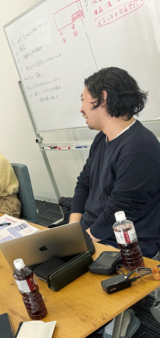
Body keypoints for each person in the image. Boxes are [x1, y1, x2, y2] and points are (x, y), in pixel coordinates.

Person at [70, 67, 160, 259]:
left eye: (83, 99)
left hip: (121, 246)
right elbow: (84, 183)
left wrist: (80, 242)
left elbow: (121, 211)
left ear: (103, 98)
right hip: (90, 235)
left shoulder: (139, 147)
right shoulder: (101, 139)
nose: (81, 109)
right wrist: (72, 228)